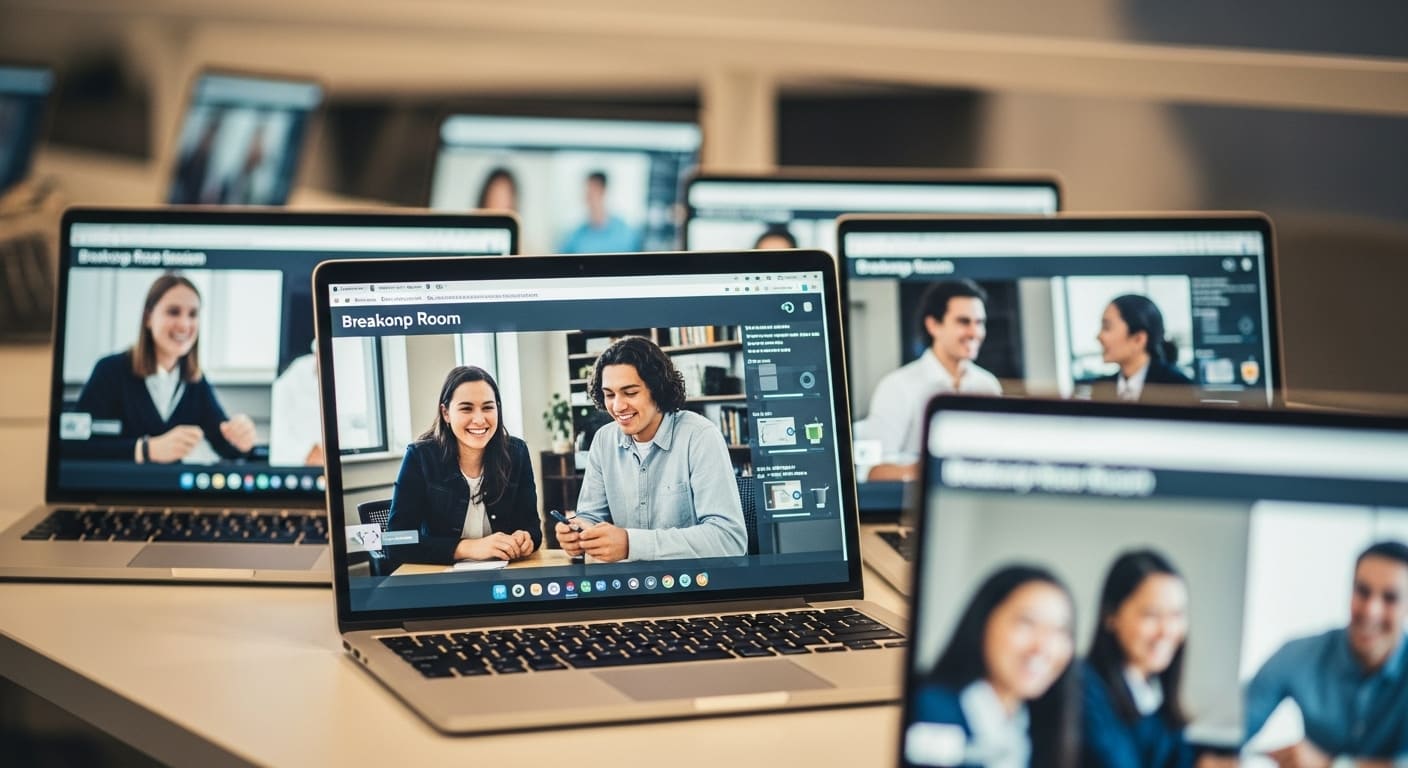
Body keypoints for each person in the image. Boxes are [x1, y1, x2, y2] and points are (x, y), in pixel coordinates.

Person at [556, 336, 746, 562]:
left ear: (658, 390)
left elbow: (729, 540)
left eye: (630, 392)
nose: (617, 406)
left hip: (690, 587)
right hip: (626, 586)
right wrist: (579, 534)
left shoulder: (700, 437)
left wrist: (631, 544)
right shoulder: (603, 441)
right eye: (609, 394)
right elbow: (591, 517)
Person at [1243, 541, 1408, 766]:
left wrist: (1331, 764)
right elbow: (1233, 729)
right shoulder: (1299, 655)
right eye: (1363, 591)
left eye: (1390, 598)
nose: (1371, 610)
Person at [69, 274, 256, 463]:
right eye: (173, 312)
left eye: (193, 314)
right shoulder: (110, 371)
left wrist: (242, 439)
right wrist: (145, 449)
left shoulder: (194, 381)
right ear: (148, 318)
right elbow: (76, 446)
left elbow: (226, 447)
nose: (184, 324)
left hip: (171, 490)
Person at [909, 565, 1080, 768]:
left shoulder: (1038, 731)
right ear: (984, 621)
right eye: (1027, 622)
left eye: (1060, 630)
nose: (1043, 646)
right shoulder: (926, 712)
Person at [863, 279, 1001, 481]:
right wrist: (943, 470)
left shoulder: (988, 385)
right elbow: (873, 471)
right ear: (933, 325)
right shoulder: (897, 387)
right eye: (963, 322)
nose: (974, 332)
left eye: (979, 322)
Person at [1082, 550, 1197, 768]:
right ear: (1111, 616)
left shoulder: (1158, 699)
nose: (1166, 630)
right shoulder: (1084, 689)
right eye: (1151, 614)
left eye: (1176, 615)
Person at [1088, 294, 1194, 404]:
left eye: (1107, 327)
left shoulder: (1179, 388)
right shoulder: (1100, 389)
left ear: (1138, 339)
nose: (1099, 336)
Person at [559, 171, 641, 253]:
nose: (589, 197)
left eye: (594, 191)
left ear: (603, 191)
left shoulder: (626, 233)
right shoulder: (575, 236)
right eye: (587, 192)